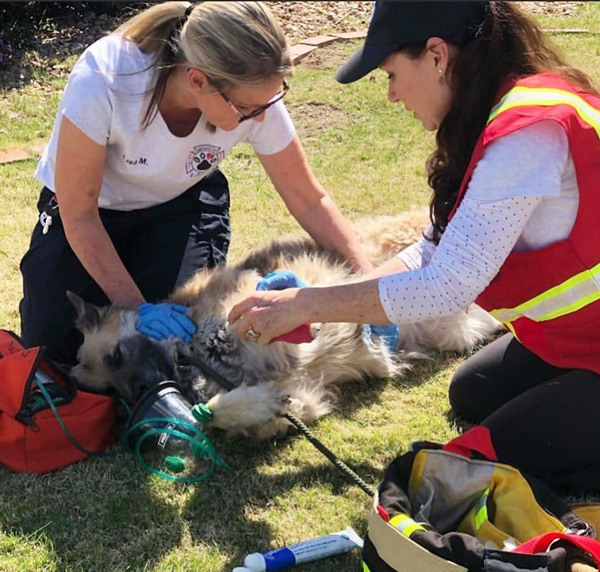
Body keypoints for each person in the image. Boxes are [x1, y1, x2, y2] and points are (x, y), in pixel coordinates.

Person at [228, 1, 600, 493]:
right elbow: (430, 254)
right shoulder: (497, 114)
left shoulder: (527, 131)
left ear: (437, 55)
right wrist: (319, 304)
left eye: (391, 74)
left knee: (468, 470)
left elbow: (448, 284)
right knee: (473, 393)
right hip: (578, 339)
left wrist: (306, 304)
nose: (391, 95)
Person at [19, 1, 374, 364]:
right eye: (248, 109)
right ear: (198, 80)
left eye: (272, 99)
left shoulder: (252, 95)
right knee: (52, 353)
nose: (262, 116)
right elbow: (79, 216)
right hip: (91, 215)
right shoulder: (105, 78)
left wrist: (371, 288)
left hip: (179, 208)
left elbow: (309, 200)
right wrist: (136, 308)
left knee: (177, 339)